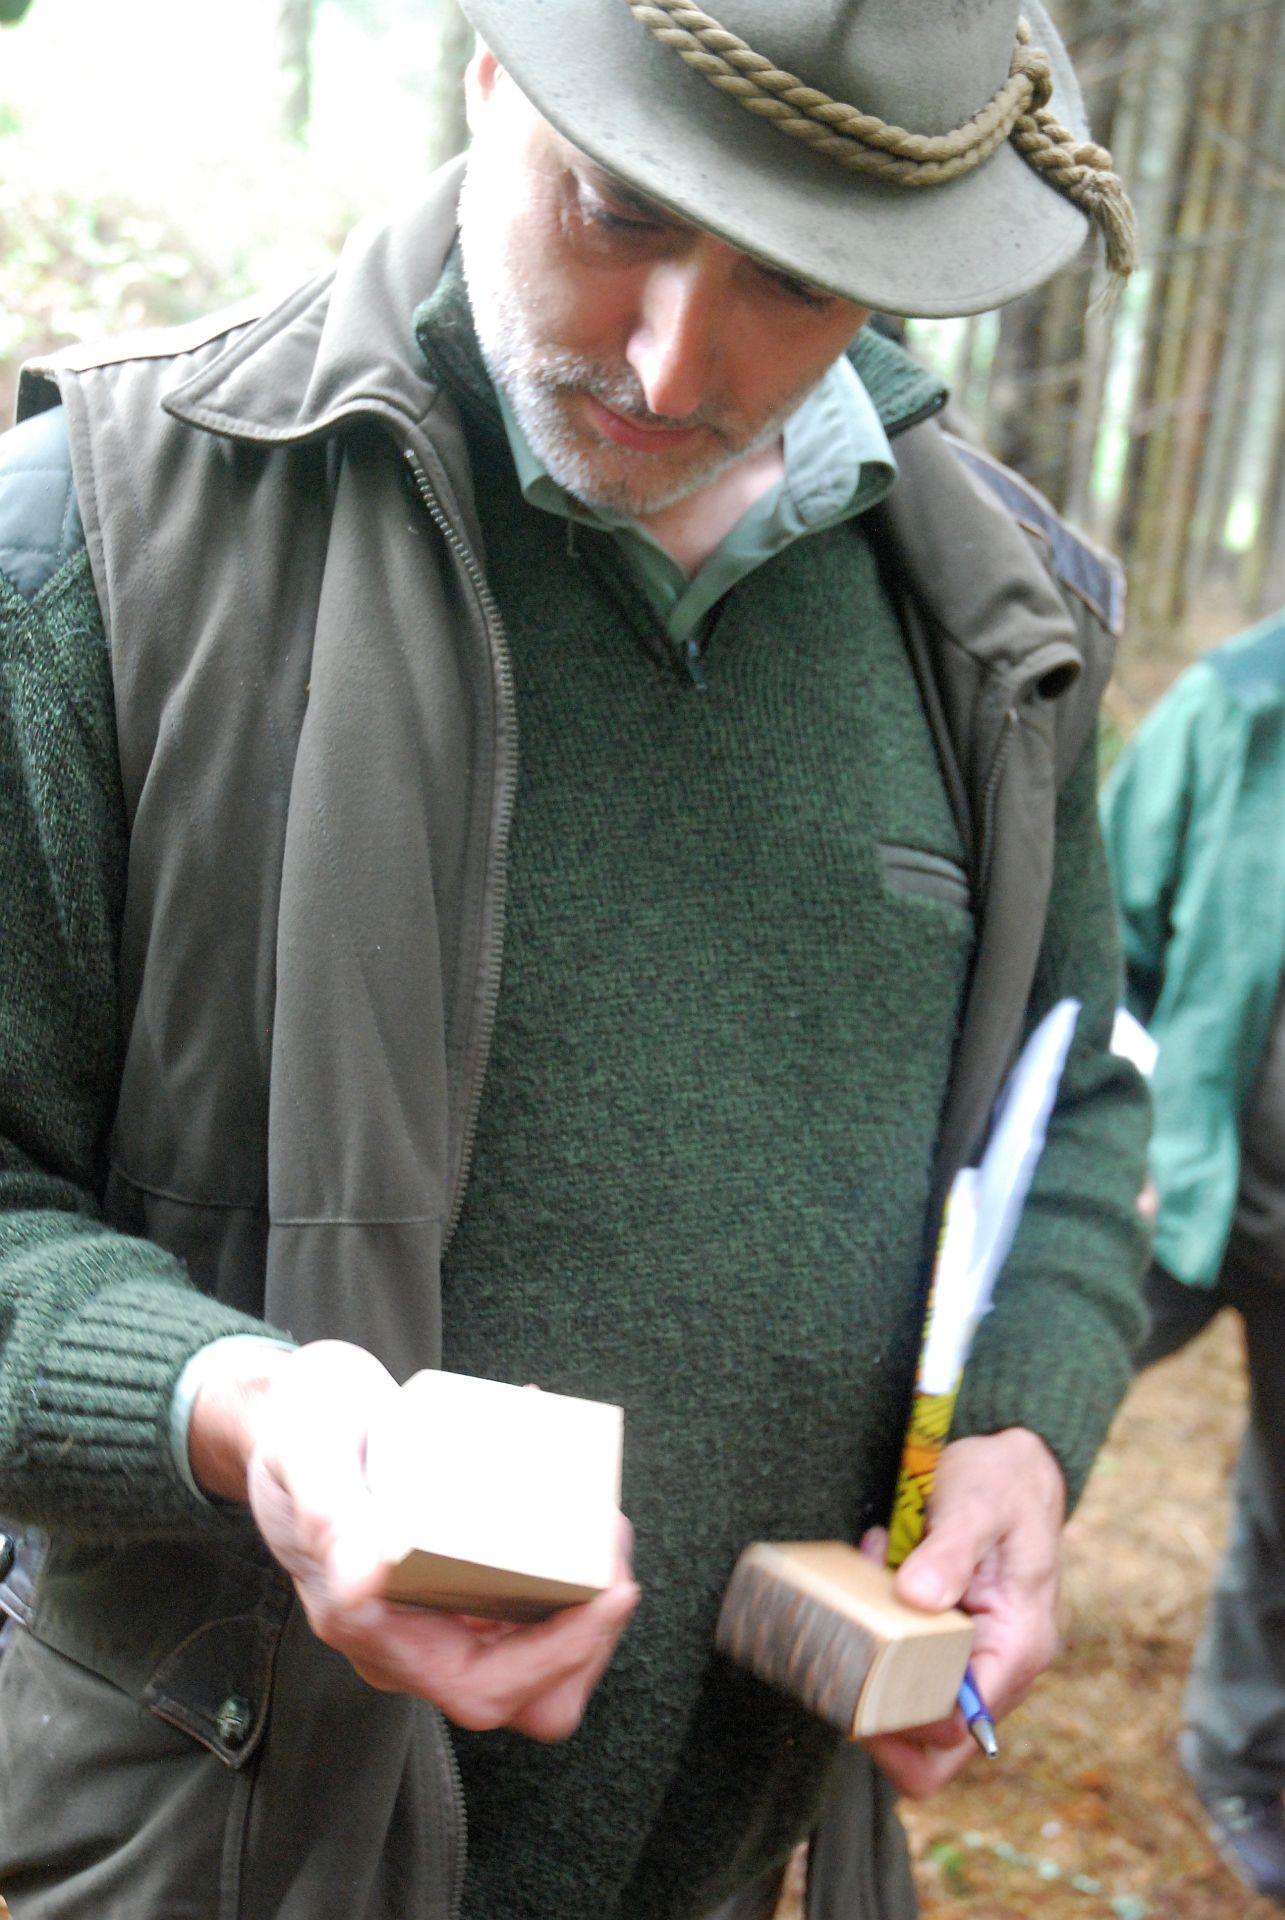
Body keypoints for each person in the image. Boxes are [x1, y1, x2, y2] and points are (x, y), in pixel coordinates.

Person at [0, 3, 1151, 1916]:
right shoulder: (105, 545)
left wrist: (1028, 1418)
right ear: (492, 74)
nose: (672, 357)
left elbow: (1073, 1099)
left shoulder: (994, 619)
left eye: (794, 279)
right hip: (224, 1852)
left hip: (733, 1853)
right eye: (617, 211)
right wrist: (243, 1413)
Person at [1101, 609, 1285, 1904]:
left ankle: (1241, 1762)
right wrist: (1123, 1126)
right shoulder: (1236, 707)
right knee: (993, 1399)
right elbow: (1090, 935)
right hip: (1176, 1185)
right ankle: (861, 1645)